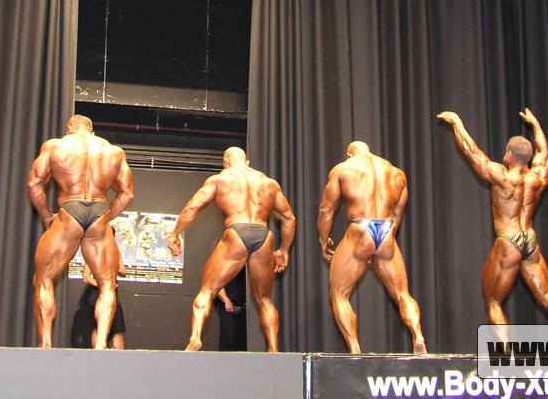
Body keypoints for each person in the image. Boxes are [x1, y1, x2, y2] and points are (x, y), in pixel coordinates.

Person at [437, 109, 548, 332]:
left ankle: (506, 351)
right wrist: (536, 125)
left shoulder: (502, 177)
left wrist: (457, 124)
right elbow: (544, 151)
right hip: (530, 240)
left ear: (510, 154)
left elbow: (472, 152)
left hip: (509, 239)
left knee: (493, 302)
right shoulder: (537, 177)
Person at [167, 146, 296, 352]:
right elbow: (289, 218)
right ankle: (273, 350)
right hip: (263, 236)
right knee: (264, 300)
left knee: (207, 291)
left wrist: (175, 233)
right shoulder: (269, 183)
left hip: (236, 232)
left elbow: (193, 207)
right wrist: (284, 250)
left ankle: (195, 338)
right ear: (247, 161)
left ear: (226, 162)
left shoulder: (220, 179)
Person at [27, 114, 134, 348]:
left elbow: (34, 184)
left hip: (69, 209)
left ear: (69, 129)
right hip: (99, 210)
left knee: (43, 279)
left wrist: (46, 216)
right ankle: (101, 344)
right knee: (108, 284)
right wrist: (106, 217)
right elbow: (127, 194)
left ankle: (45, 345)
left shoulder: (56, 146)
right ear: (92, 131)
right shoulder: (114, 152)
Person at [317, 140, 427, 355]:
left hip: (361, 228)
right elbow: (397, 214)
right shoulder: (396, 173)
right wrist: (384, 240)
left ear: (350, 153)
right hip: (386, 230)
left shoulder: (344, 169)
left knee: (339, 294)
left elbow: (326, 210)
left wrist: (323, 240)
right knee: (403, 294)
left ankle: (355, 349)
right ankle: (418, 335)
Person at [72, 260, 127, 349]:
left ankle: (119, 355)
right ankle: (98, 353)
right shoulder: (92, 254)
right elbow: (86, 277)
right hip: (97, 295)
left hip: (113, 296)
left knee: (118, 330)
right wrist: (101, 284)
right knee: (97, 328)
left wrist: (116, 270)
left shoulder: (116, 253)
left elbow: (124, 272)